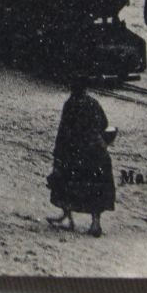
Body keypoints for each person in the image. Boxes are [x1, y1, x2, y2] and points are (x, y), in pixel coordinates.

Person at [47, 79, 117, 237]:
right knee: (96, 186)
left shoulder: (70, 104)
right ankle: (95, 222)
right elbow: (104, 123)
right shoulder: (94, 103)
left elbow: (63, 130)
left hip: (76, 151)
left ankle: (67, 216)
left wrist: (58, 153)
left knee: (64, 180)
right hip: (96, 150)